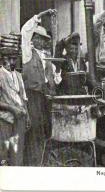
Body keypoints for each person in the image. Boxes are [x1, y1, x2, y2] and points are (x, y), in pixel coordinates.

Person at [21, 9, 62, 166]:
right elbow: (25, 31)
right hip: (32, 96)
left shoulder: (47, 56)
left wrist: (58, 71)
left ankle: (43, 161)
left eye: (43, 38)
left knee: (47, 128)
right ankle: (32, 163)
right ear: (33, 39)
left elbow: (55, 80)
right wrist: (42, 15)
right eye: (37, 37)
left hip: (46, 97)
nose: (40, 41)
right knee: (35, 129)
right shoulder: (28, 53)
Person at [0, 53, 28, 166]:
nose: (12, 62)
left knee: (17, 152)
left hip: (20, 118)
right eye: (8, 58)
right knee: (3, 153)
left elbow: (23, 98)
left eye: (14, 59)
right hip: (5, 119)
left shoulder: (18, 75)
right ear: (2, 59)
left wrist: (27, 115)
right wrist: (11, 109)